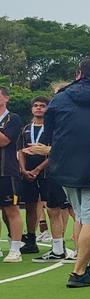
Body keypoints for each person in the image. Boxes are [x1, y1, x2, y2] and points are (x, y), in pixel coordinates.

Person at [36, 59, 90, 285]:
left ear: (79, 74)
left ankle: (85, 265)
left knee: (81, 216)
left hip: (64, 166)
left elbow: (49, 133)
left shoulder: (60, 98)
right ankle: (79, 272)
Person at [19, 97, 71, 259]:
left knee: (56, 207)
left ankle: (60, 243)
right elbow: (21, 150)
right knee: (30, 206)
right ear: (31, 109)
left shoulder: (52, 129)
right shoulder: (26, 128)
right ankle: (31, 239)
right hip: (28, 174)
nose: (39, 108)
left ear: (48, 109)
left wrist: (38, 169)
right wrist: (23, 169)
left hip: (48, 172)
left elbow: (55, 151)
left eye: (42, 106)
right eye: (35, 105)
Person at [0, 87, 28, 262]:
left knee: (11, 210)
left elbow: (3, 140)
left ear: (6, 98)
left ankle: (16, 249)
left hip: (7, 171)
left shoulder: (13, 118)